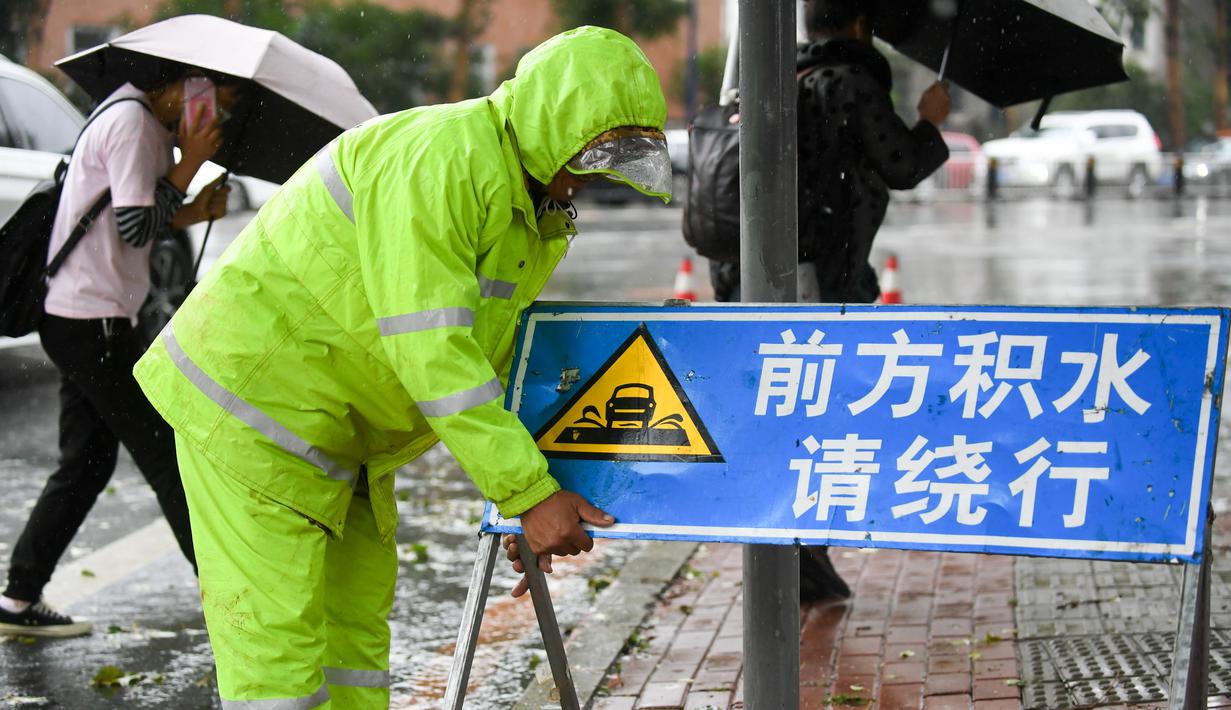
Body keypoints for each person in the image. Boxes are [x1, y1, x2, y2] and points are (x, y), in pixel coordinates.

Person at [132, 26, 671, 708]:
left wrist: (533, 494)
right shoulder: (439, 159)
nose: (590, 181)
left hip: (342, 432)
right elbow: (433, 351)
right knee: (278, 659)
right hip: (254, 409)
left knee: (353, 650)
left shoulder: (535, 208)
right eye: (588, 158)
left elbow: (495, 358)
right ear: (548, 125)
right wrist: (529, 496)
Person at [705, 0, 952, 601]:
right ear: (862, 25)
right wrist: (930, 121)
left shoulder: (778, 75)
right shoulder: (849, 80)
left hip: (757, 272)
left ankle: (795, 547)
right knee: (824, 408)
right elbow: (902, 163)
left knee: (788, 407)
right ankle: (799, 549)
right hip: (818, 277)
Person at [0, 74, 234, 637]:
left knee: (87, 462)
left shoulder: (144, 121)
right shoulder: (132, 123)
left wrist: (193, 209)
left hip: (88, 315)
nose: (215, 115)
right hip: (91, 320)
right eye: (214, 101)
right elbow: (133, 227)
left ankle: (18, 597)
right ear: (184, 86)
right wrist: (188, 165)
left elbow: (128, 216)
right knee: (165, 454)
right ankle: (234, 603)